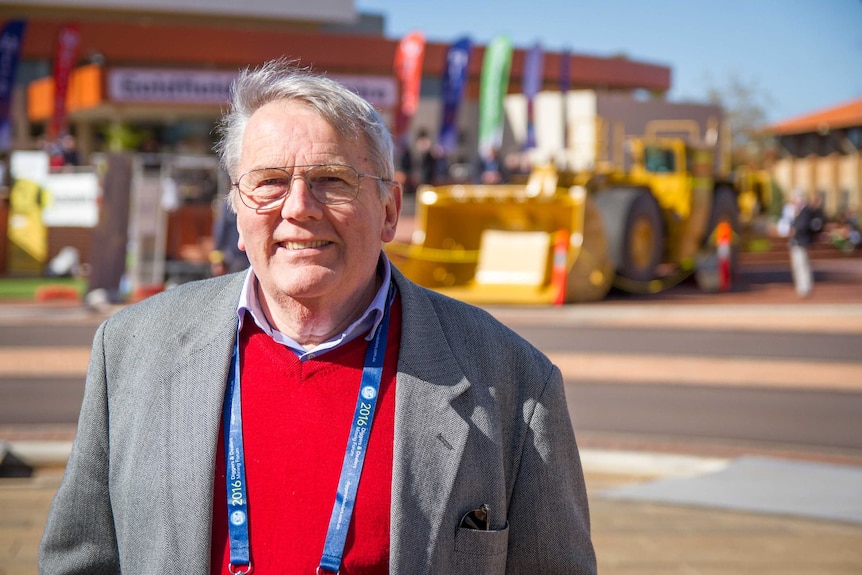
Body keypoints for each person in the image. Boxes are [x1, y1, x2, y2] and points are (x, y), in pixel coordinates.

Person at [39, 58, 596, 575]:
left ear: (389, 212)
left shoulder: (514, 382)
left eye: (332, 179)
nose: (299, 206)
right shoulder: (131, 350)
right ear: (236, 210)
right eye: (269, 182)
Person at [789, 192, 824, 297]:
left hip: (801, 242)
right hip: (798, 242)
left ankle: (804, 288)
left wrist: (795, 230)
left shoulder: (805, 212)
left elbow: (802, 226)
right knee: (799, 266)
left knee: (802, 265)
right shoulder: (799, 212)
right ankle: (802, 287)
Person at [210, 197, 250, 276]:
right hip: (237, 256)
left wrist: (217, 260)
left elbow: (220, 232)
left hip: (240, 255)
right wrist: (217, 260)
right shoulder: (230, 205)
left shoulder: (229, 205)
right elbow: (220, 233)